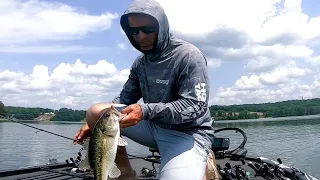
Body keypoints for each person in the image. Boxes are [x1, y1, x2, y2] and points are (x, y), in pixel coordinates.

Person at [74, 0, 216, 179]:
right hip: (153, 127)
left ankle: (200, 158)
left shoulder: (188, 56)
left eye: (147, 30)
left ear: (162, 27)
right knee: (97, 112)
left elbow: (195, 107)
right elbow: (125, 98)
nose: (140, 37)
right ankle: (125, 172)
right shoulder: (140, 62)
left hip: (187, 134)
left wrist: (144, 110)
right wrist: (95, 125)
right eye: (134, 31)